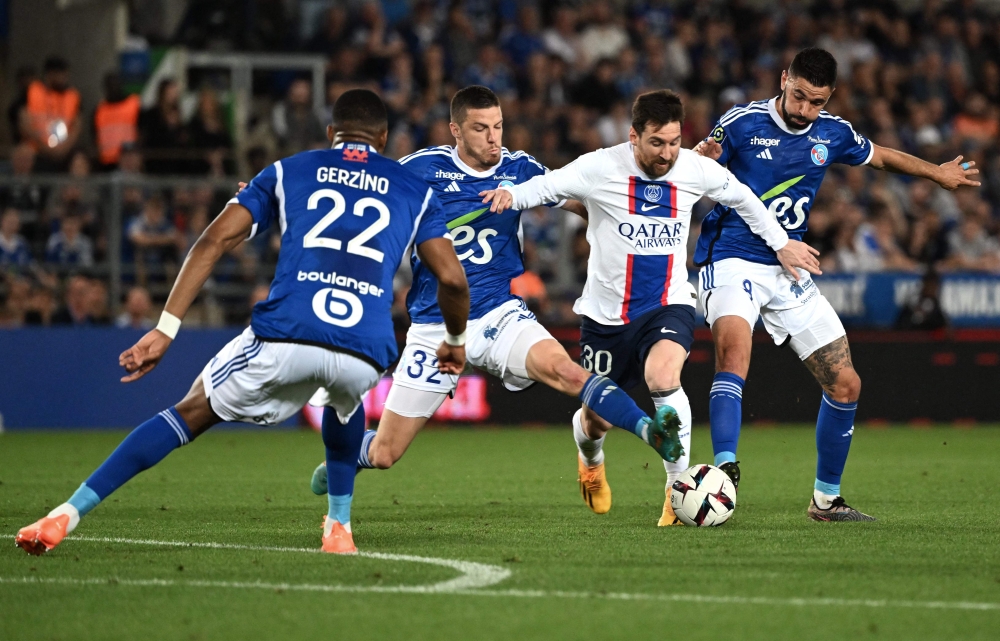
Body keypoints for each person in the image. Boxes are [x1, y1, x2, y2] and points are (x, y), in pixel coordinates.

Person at [15, 89, 470, 557]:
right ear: (385, 137)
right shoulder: (416, 190)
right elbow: (453, 280)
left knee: (189, 412)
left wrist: (165, 328)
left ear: (331, 133)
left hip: (289, 332)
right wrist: (454, 341)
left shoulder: (288, 170)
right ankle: (338, 526)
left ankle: (64, 515)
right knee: (344, 401)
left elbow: (213, 241)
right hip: (365, 349)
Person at [309, 86, 684, 509]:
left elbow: (581, 201)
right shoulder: (421, 169)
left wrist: (631, 211)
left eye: (499, 126)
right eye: (481, 128)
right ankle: (354, 454)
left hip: (501, 314)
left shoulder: (520, 168)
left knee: (566, 370)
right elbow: (361, 190)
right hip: (436, 327)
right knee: (385, 454)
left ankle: (650, 430)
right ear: (455, 130)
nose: (494, 138)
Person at [480, 90, 816, 525]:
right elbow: (546, 186)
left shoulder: (695, 169)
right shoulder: (599, 167)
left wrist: (781, 243)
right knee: (595, 420)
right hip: (606, 318)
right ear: (634, 136)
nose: (668, 153)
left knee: (663, 376)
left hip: (668, 304)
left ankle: (677, 491)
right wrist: (510, 193)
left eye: (675, 141)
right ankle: (591, 459)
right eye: (657, 143)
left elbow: (745, 199)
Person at [692, 48, 979, 521]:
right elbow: (699, 169)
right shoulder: (741, 123)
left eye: (816, 102)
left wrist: (937, 173)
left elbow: (881, 156)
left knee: (846, 384)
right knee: (734, 353)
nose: (804, 109)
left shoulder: (833, 133)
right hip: (731, 258)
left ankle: (826, 500)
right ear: (784, 80)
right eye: (798, 95)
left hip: (790, 267)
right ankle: (725, 471)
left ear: (829, 99)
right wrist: (702, 160)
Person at [20, 56, 81, 171]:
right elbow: (24, 122)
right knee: (23, 153)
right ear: (50, 74)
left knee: (79, 161)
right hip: (37, 148)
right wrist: (45, 148)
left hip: (64, 149)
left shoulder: (72, 95)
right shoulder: (34, 91)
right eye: (61, 75)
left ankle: (74, 189)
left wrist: (62, 149)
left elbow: (77, 125)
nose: (64, 79)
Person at [93, 72, 142, 170]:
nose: (113, 87)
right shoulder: (100, 110)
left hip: (130, 162)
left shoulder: (133, 104)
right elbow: (94, 135)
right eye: (110, 85)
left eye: (116, 83)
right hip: (106, 163)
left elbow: (142, 130)